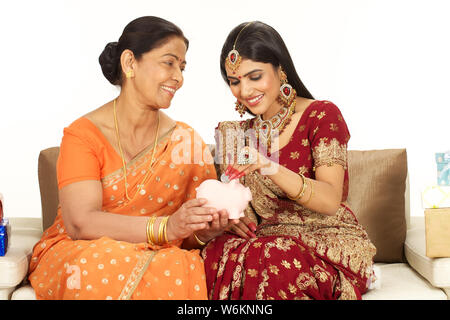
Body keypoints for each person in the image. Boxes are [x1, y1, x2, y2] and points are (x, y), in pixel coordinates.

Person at [28, 16, 233, 300]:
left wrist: (203, 232)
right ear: (129, 63)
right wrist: (166, 226)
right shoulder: (83, 135)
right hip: (83, 250)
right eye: (169, 62)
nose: (179, 77)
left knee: (177, 265)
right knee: (95, 264)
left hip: (161, 253)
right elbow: (80, 224)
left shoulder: (186, 141)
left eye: (183, 67)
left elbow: (187, 237)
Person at [201, 21, 377, 300]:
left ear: (280, 69)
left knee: (272, 260)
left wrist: (268, 166)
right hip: (262, 242)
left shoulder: (321, 116)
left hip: (323, 243)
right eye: (235, 82)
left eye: (254, 76)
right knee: (210, 254)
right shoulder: (234, 134)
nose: (245, 91)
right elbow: (233, 202)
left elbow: (330, 200)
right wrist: (231, 219)